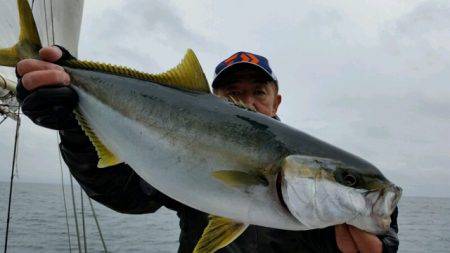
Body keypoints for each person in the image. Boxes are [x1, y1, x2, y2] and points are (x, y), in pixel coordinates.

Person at [16, 46, 399, 253]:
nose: (247, 102)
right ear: (213, 97)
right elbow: (125, 194)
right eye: (233, 93)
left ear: (276, 102)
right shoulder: (181, 144)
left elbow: (374, 220)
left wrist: (383, 243)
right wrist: (74, 128)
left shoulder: (309, 162)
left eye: (258, 92)